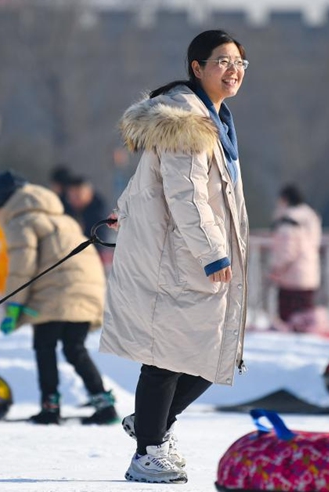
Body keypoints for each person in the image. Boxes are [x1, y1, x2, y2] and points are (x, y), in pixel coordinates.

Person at [99, 30, 250, 484]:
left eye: (239, 62)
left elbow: (153, 180)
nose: (233, 69)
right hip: (181, 257)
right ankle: (148, 450)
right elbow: (186, 194)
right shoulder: (188, 119)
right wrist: (213, 252)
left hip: (189, 254)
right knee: (168, 356)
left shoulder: (216, 119)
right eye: (221, 61)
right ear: (196, 67)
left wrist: (123, 210)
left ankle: (150, 424)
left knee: (215, 353)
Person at [0, 169, 118, 425]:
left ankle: (50, 407)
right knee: (74, 348)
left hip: (57, 292)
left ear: (1, 205)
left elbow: (22, 265)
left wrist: (13, 305)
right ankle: (104, 405)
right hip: (88, 289)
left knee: (44, 346)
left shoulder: (21, 220)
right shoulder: (62, 218)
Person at [268, 184, 329, 334]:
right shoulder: (311, 218)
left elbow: (287, 250)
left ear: (284, 199)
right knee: (307, 320)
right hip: (310, 274)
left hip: (291, 277)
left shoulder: (288, 220)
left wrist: (276, 269)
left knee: (289, 323)